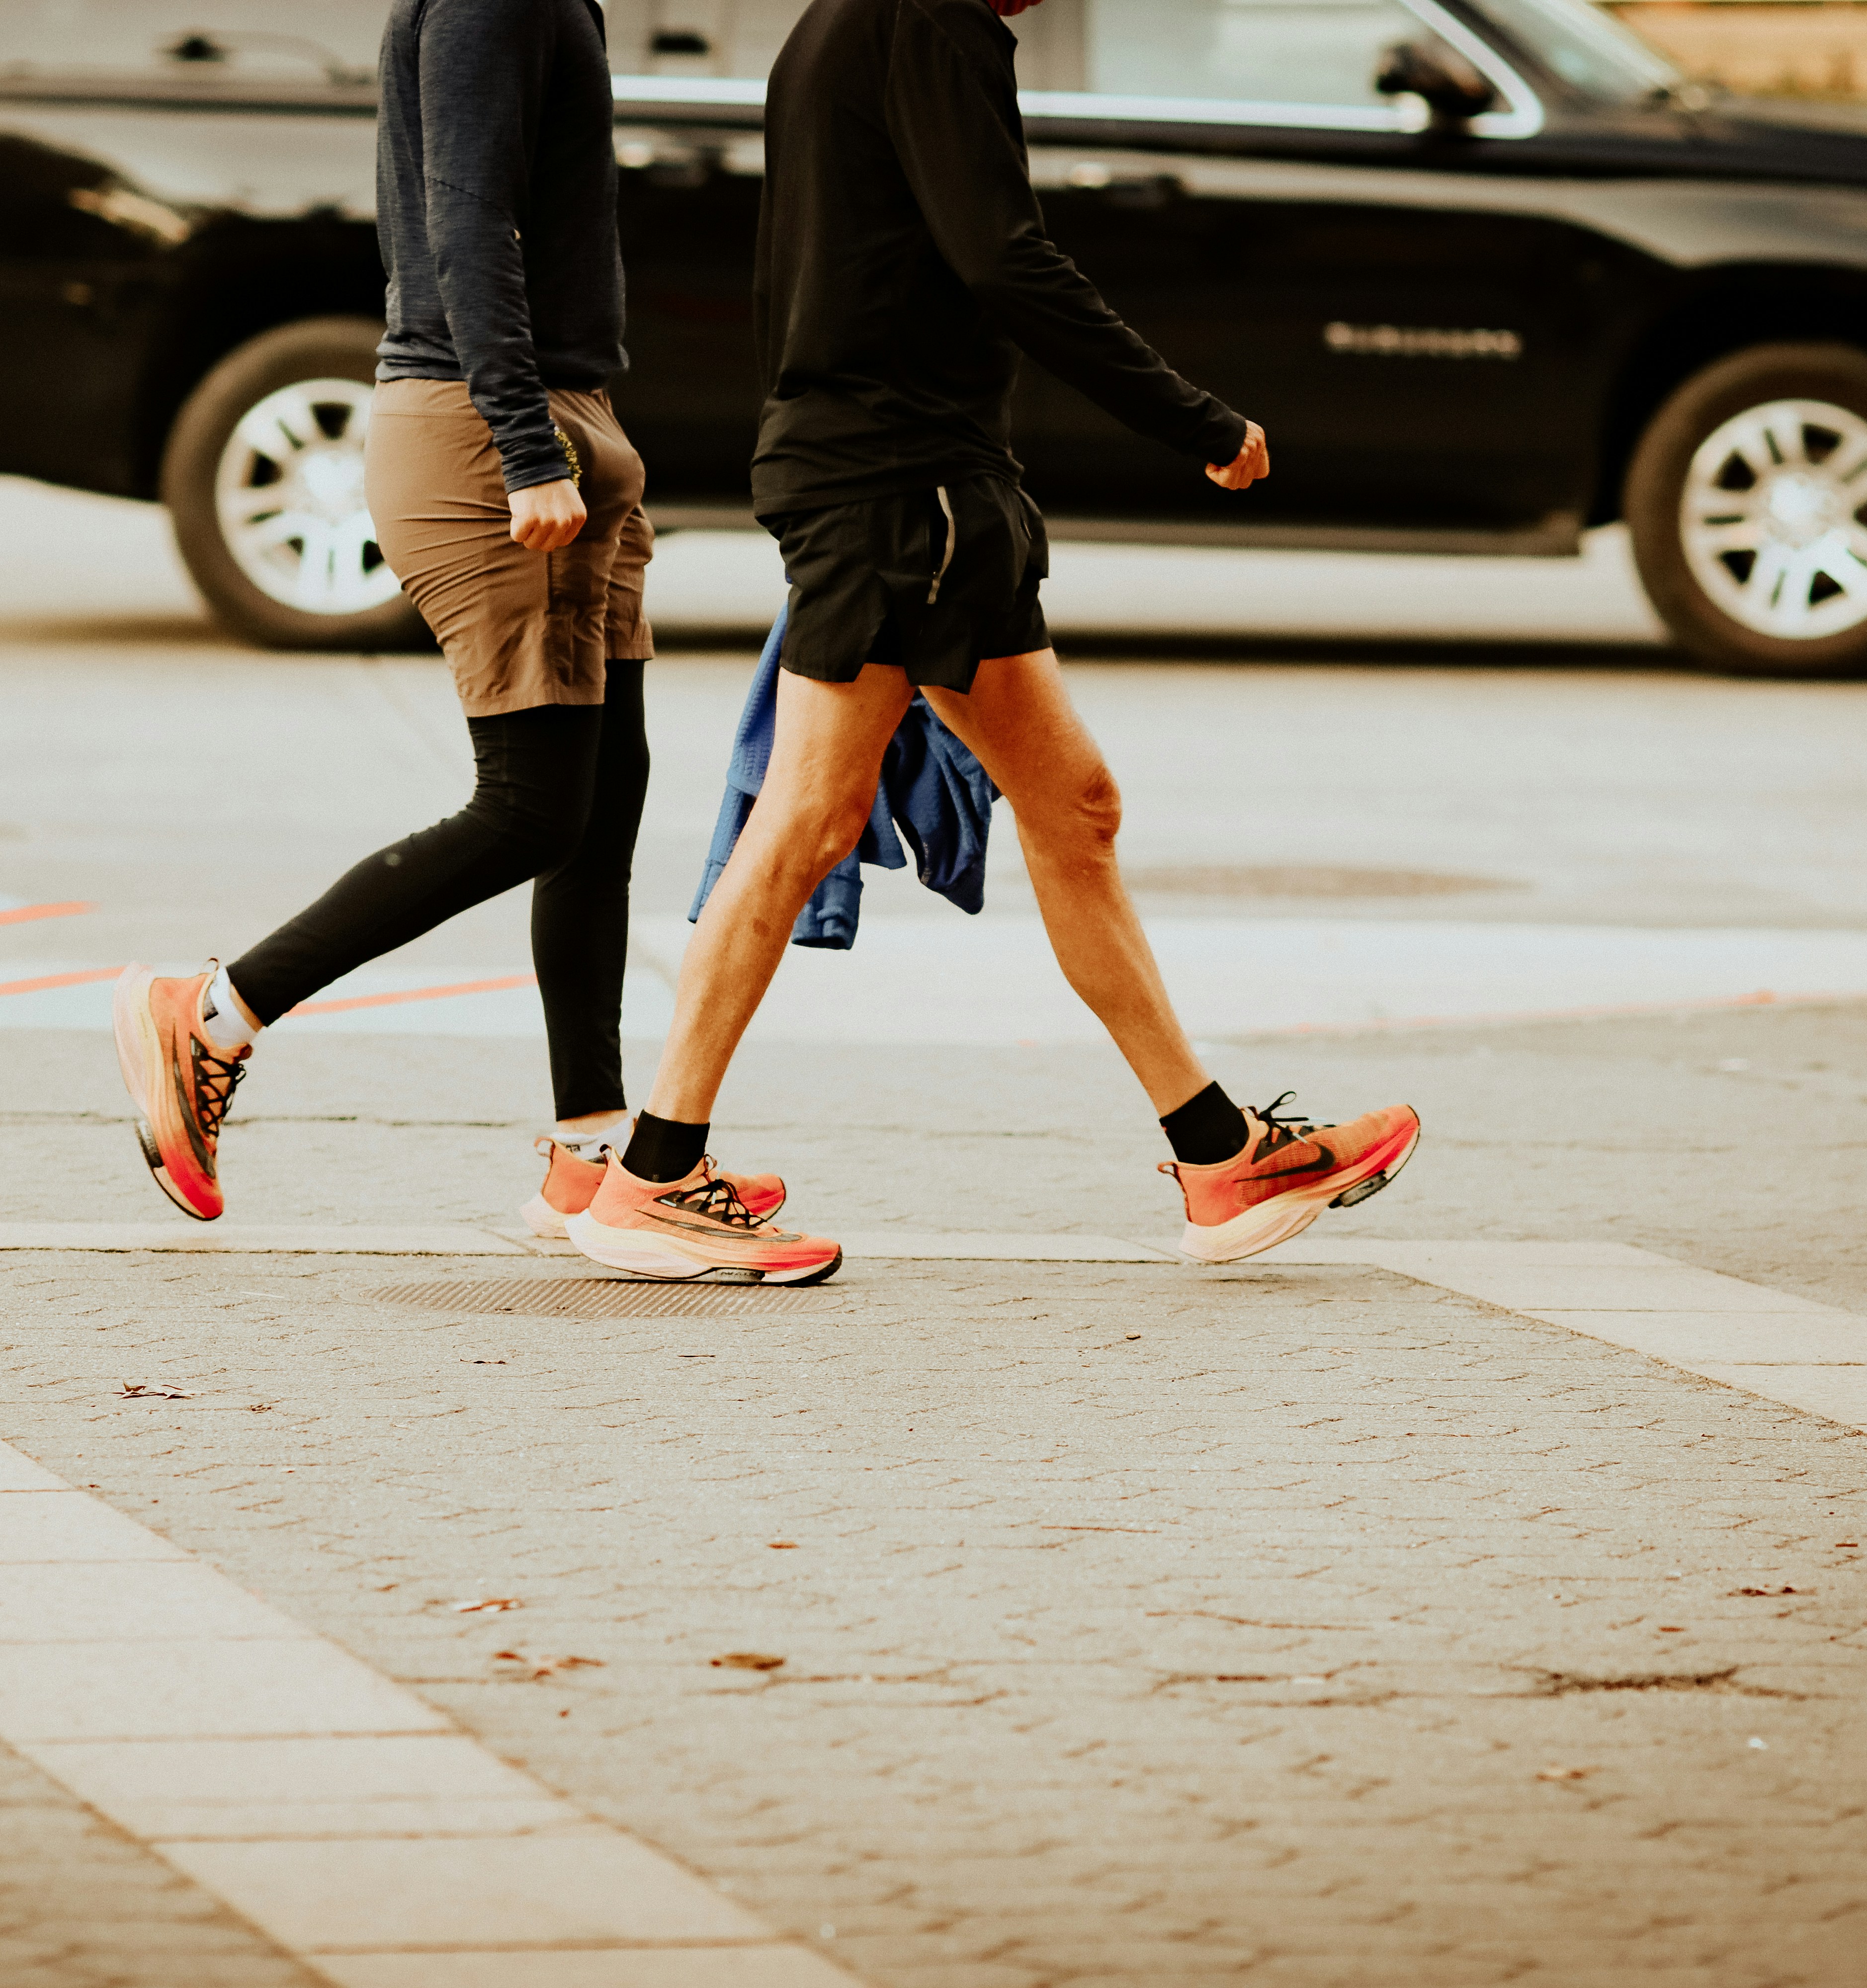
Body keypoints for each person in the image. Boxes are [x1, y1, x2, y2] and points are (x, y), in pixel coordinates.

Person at [566, 0, 1420, 1281]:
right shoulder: (929, 20)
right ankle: (652, 1175)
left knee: (1074, 806)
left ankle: (1216, 1152)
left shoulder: (853, 22)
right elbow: (1003, 256)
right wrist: (1187, 416)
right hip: (900, 492)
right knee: (806, 820)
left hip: (916, 483)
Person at [112, 0, 785, 1236]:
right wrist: (530, 450)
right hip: (491, 432)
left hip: (566, 415)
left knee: (601, 801)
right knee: (531, 806)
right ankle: (213, 1011)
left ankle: (592, 1148)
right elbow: (467, 220)